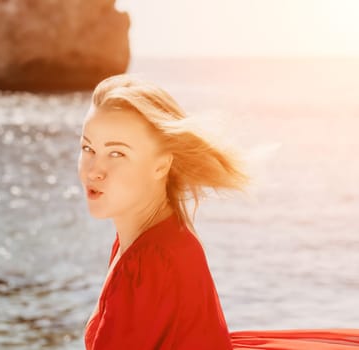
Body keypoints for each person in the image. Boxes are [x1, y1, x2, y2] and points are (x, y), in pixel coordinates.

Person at [77, 74, 359, 350]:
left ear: (161, 166)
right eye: (88, 148)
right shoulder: (152, 239)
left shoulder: (147, 263)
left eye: (117, 153)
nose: (93, 170)